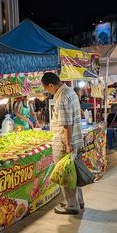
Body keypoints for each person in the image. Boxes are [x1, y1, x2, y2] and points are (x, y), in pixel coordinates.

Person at [41, 72, 84, 215]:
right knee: (73, 172)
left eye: (47, 89)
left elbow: (66, 125)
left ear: (51, 85)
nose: (48, 92)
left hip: (65, 142)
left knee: (65, 173)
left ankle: (72, 205)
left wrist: (67, 144)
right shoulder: (70, 91)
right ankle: (78, 201)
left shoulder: (62, 97)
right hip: (75, 139)